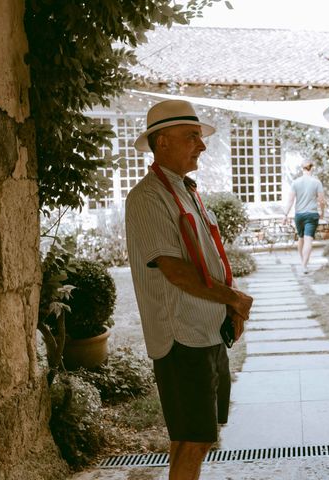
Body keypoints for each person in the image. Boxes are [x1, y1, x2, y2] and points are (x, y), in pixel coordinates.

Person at [125, 100, 253, 480]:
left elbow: (205, 257)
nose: (202, 144)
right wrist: (233, 297)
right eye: (191, 136)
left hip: (206, 333)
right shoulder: (148, 197)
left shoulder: (185, 190)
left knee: (194, 438)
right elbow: (175, 270)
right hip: (181, 338)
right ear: (161, 142)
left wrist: (228, 307)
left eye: (199, 136)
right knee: (194, 440)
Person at [283, 160, 325, 273]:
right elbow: (321, 200)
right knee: (308, 240)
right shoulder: (316, 182)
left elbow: (290, 201)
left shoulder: (295, 182)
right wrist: (322, 212)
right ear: (312, 168)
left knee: (301, 238)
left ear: (302, 169)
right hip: (311, 215)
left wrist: (285, 214)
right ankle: (304, 265)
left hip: (299, 215)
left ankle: (303, 262)